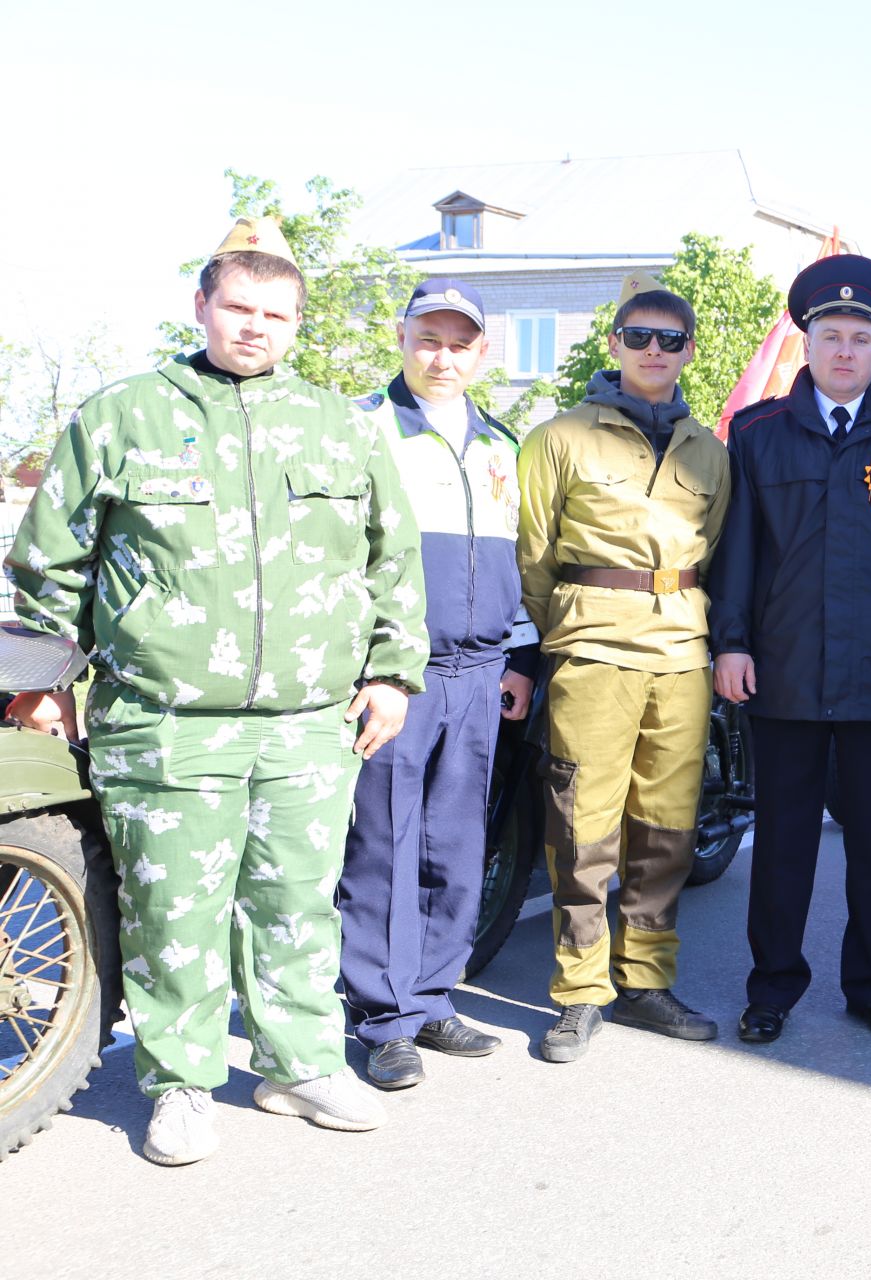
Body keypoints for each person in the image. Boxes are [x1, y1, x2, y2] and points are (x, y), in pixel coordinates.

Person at [3, 217, 428, 1165]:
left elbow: (391, 558)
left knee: (297, 904)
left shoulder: (337, 424)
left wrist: (395, 674)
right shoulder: (124, 416)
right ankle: (181, 1083)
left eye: (276, 313)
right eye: (238, 307)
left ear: (296, 324)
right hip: (164, 722)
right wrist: (41, 685)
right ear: (202, 307)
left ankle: (302, 1064)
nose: (255, 327)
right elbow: (47, 563)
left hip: (308, 724)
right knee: (175, 912)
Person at [708, 255, 871, 1044]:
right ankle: (773, 986)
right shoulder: (757, 435)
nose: (845, 350)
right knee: (781, 842)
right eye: (830, 334)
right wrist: (732, 644)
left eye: (861, 337)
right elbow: (738, 552)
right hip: (781, 674)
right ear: (807, 342)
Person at [516, 273, 732, 1062]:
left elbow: (719, 551)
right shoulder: (560, 437)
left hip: (681, 654)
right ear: (613, 344)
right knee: (582, 827)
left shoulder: (711, 450)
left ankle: (645, 981)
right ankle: (580, 990)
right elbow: (533, 557)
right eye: (638, 335)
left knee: (666, 829)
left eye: (669, 340)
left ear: (688, 352)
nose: (652, 350)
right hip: (592, 651)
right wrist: (569, 632)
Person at [338, 278, 539, 1088]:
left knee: (457, 845)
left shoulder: (500, 443)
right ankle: (382, 1018)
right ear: (402, 337)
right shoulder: (363, 428)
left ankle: (431, 997)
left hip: (481, 672)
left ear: (482, 352)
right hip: (397, 678)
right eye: (429, 338)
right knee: (384, 843)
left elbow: (519, 558)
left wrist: (521, 658)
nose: (443, 356)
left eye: (461, 343)